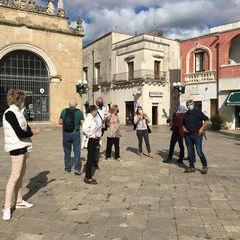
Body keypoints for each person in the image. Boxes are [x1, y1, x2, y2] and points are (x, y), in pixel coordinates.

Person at [2, 89, 41, 221]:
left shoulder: (19, 112)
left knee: (20, 176)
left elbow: (26, 127)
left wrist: (30, 131)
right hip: (16, 147)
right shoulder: (10, 113)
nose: (24, 102)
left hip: (24, 146)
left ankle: (19, 200)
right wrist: (34, 132)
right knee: (14, 177)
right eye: (23, 99)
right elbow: (20, 133)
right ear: (18, 100)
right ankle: (7, 207)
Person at [59, 98, 84, 175]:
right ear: (76, 105)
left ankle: (67, 169)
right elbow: (83, 123)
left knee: (67, 151)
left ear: (69, 104)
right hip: (75, 133)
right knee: (77, 151)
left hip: (66, 133)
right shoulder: (79, 112)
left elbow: (60, 122)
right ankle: (76, 169)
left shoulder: (64, 111)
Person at [183, 100, 209, 174]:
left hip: (197, 135)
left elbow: (206, 120)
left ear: (193, 104)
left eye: (190, 104)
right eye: (187, 105)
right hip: (188, 135)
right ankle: (192, 167)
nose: (189, 106)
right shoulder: (186, 114)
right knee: (190, 151)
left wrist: (202, 129)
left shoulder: (198, 112)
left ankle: (204, 166)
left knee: (199, 151)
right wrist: (183, 128)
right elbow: (183, 124)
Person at [82, 105, 102, 184]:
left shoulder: (93, 118)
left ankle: (89, 175)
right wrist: (91, 134)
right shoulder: (88, 118)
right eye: (96, 110)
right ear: (93, 111)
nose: (97, 112)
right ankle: (88, 177)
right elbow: (84, 129)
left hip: (95, 140)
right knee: (90, 159)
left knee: (92, 157)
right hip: (91, 140)